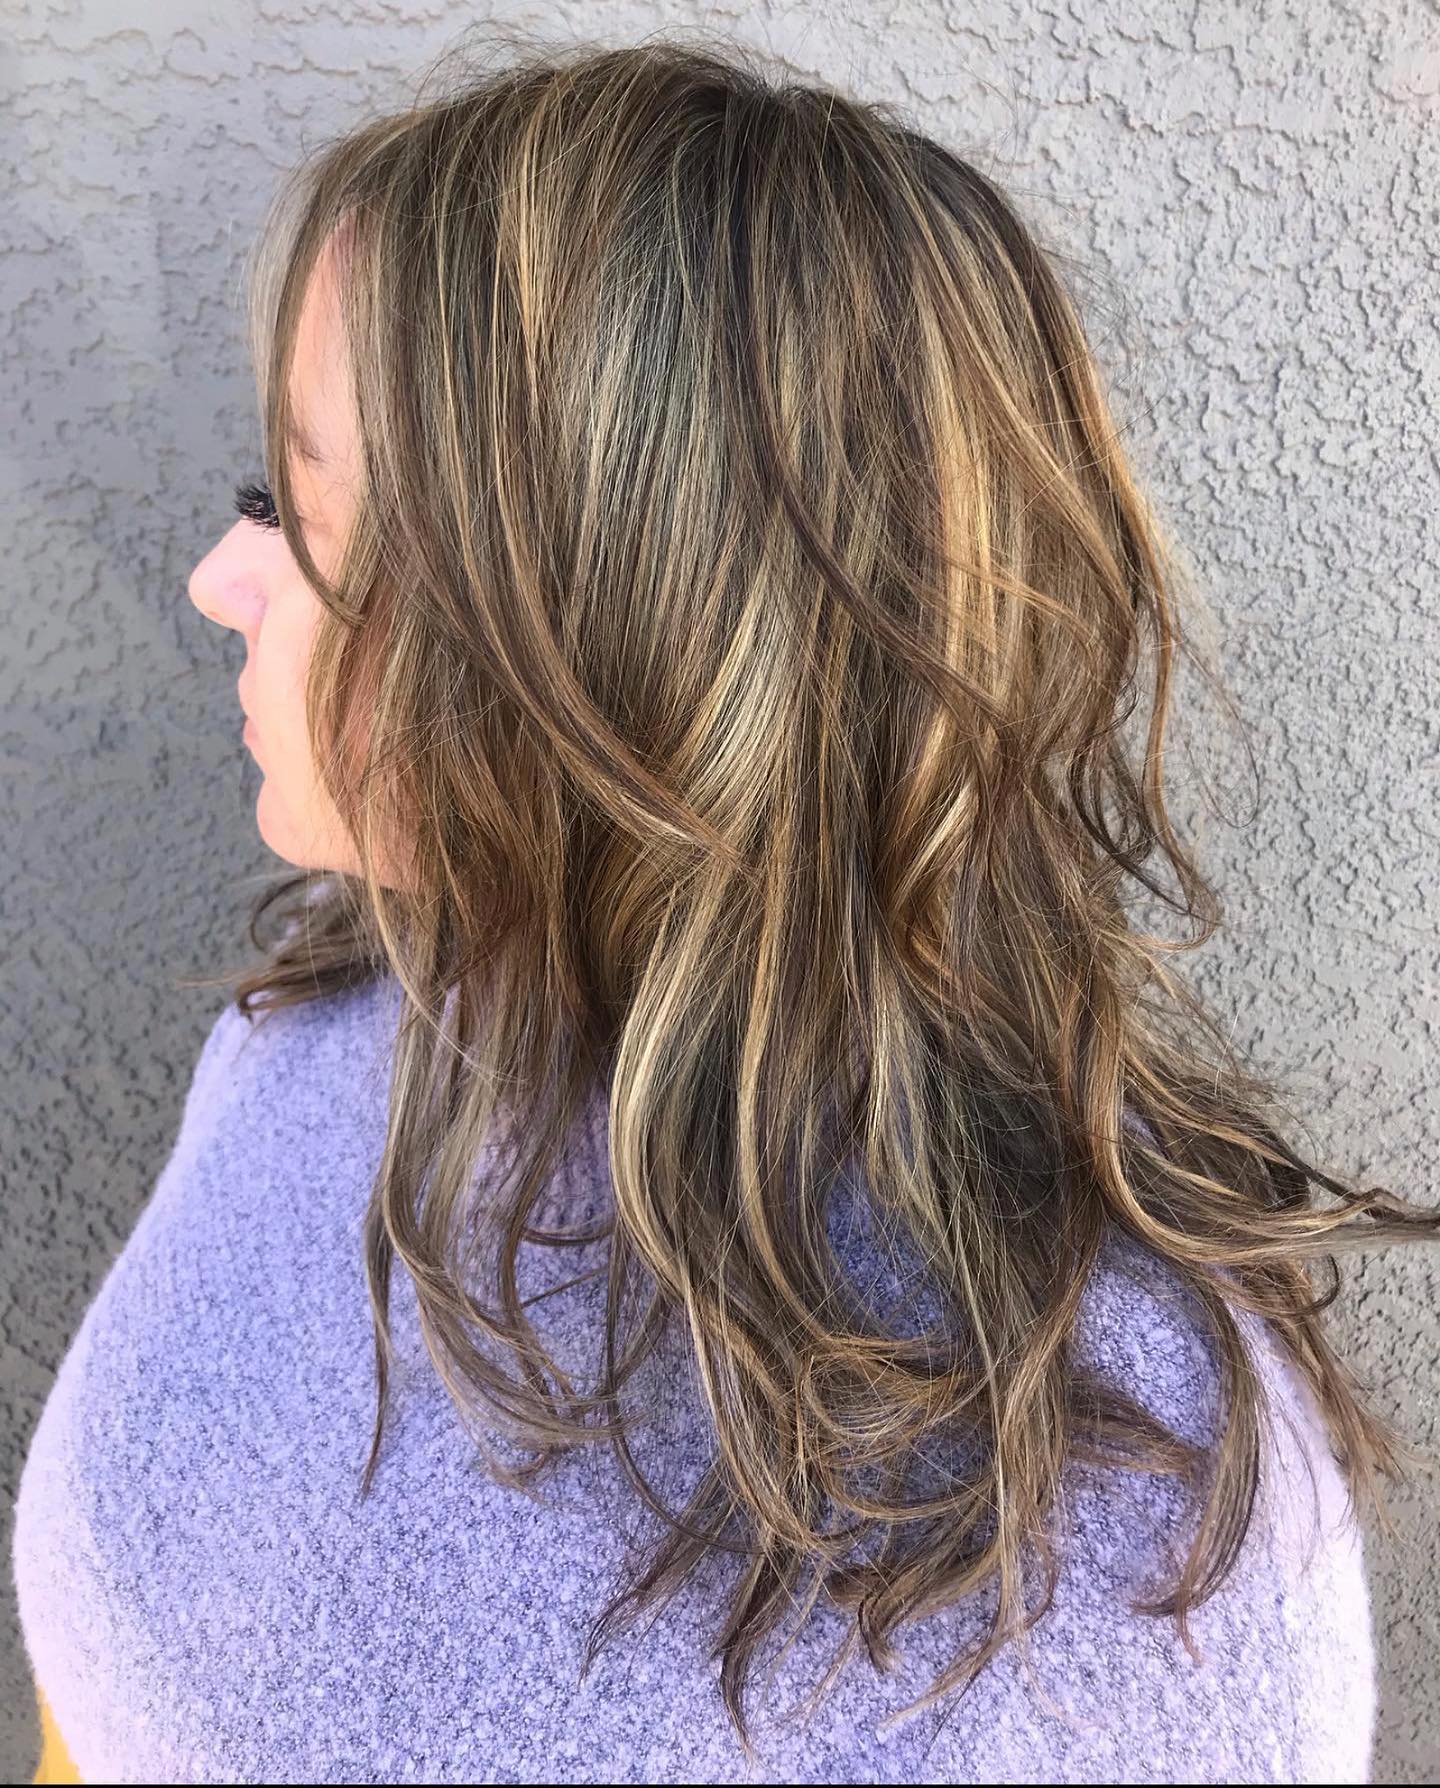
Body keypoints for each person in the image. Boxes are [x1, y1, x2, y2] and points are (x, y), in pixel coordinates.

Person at [13, 34, 1436, 1786]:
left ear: (612, 646)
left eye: (303, 518)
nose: (219, 579)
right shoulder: (364, 994)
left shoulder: (1116, 1585)